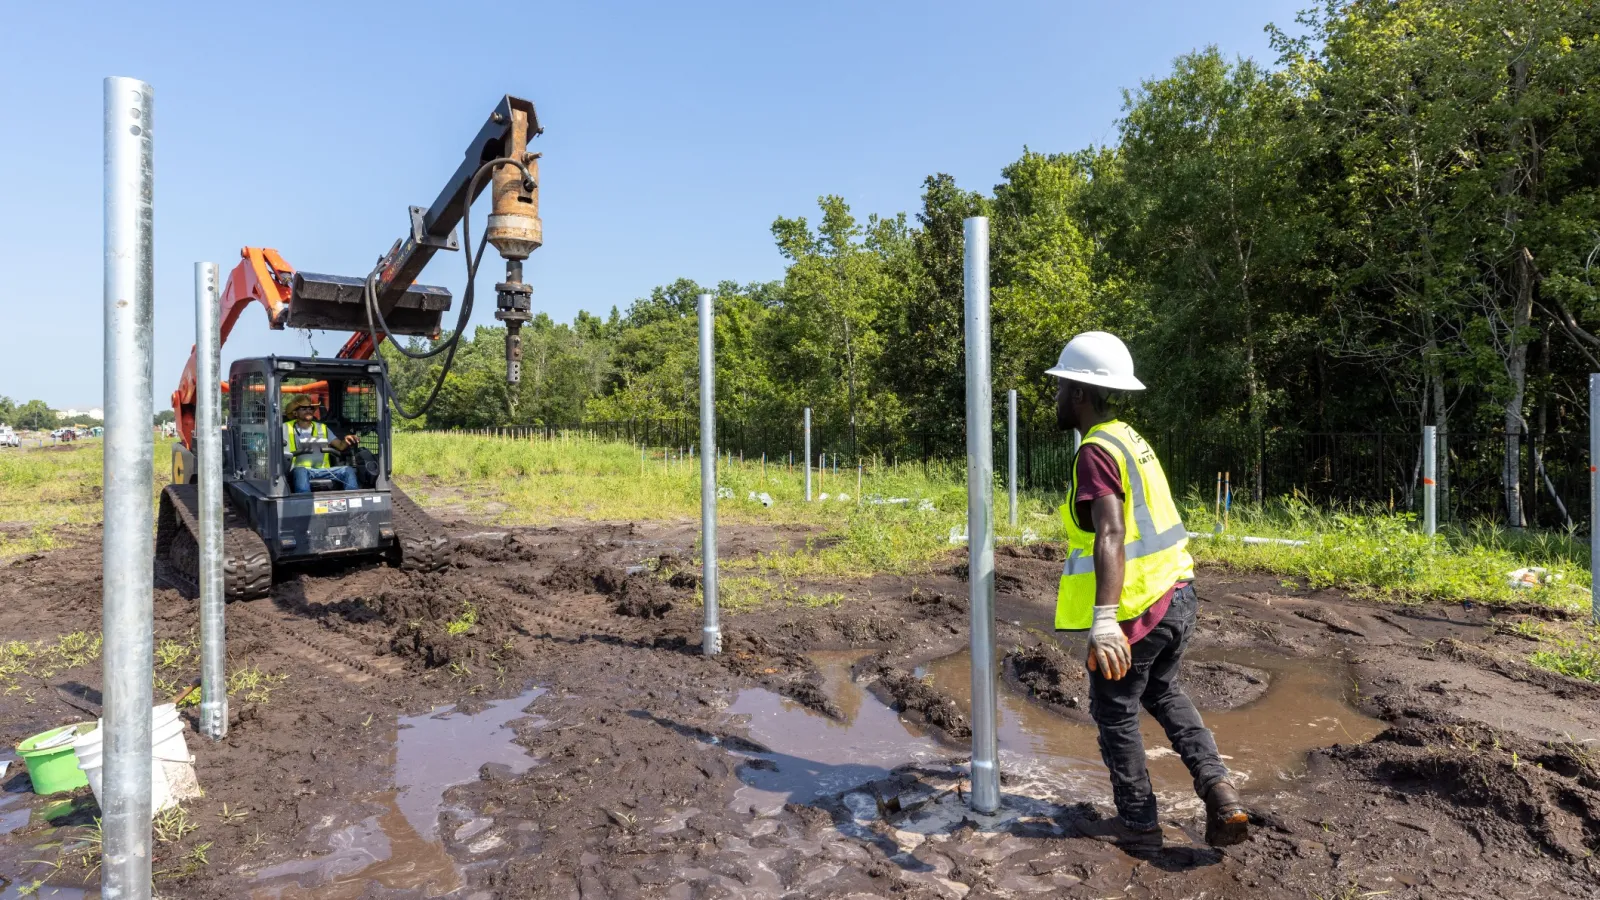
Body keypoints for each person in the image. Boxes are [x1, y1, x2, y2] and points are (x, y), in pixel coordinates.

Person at [1048, 331, 1249, 849]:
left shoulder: (1095, 450)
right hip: (1178, 592)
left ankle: (1138, 824)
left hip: (1139, 606)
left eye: (1060, 386)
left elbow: (1112, 533)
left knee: (1115, 711)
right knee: (1163, 691)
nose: (1056, 396)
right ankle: (1221, 793)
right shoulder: (1128, 437)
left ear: (1080, 392)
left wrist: (1105, 618)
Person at [282, 395, 361, 493]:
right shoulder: (284, 428)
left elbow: (340, 446)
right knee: (301, 471)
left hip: (323, 470)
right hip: (296, 471)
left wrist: (346, 440)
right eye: (304, 408)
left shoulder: (322, 428)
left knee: (348, 470)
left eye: (310, 408)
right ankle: (305, 504)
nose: (308, 411)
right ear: (295, 412)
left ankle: (353, 502)